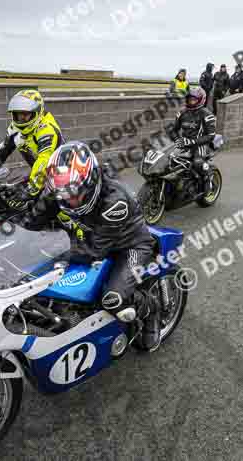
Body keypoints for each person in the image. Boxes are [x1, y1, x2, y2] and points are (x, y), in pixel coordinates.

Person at [32, 142, 163, 351]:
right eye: (64, 195)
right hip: (90, 235)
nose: (70, 200)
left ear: (90, 182)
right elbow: (32, 220)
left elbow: (94, 250)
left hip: (129, 244)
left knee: (113, 300)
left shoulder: (114, 201)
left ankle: (151, 311)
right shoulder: (64, 189)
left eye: (75, 194)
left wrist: (55, 253)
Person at [0, 89, 64, 209]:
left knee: (47, 212)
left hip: (60, 176)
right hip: (39, 175)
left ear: (36, 113)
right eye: (17, 114)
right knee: (10, 192)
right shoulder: (16, 128)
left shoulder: (46, 130)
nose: (21, 119)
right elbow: (3, 151)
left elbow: (44, 160)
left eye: (25, 114)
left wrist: (30, 190)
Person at [173, 87, 217, 193]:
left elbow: (211, 135)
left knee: (197, 163)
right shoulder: (182, 113)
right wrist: (177, 140)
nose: (191, 101)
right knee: (170, 160)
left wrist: (192, 142)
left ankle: (207, 180)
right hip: (185, 143)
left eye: (194, 99)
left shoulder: (207, 114)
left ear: (201, 100)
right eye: (189, 99)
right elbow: (173, 130)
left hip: (201, 144)